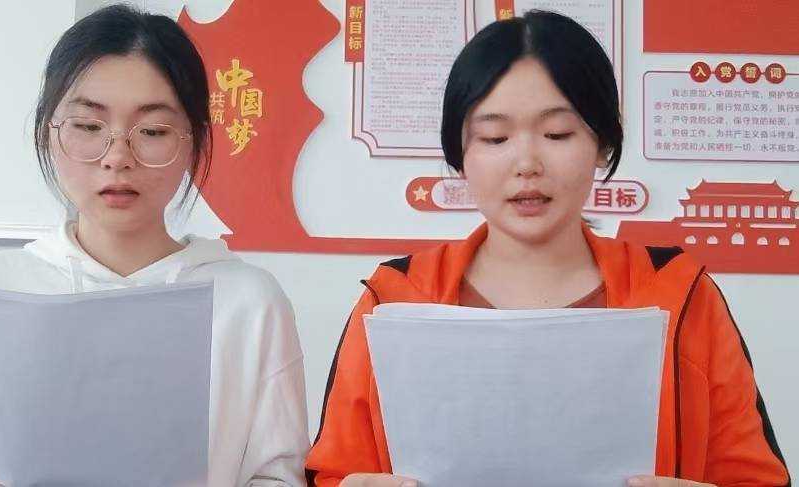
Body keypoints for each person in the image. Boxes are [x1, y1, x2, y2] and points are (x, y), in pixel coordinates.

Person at [304, 10, 790, 487]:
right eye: (495, 137)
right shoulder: (394, 300)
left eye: (557, 133)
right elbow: (332, 472)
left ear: (602, 143)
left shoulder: (682, 297)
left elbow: (755, 476)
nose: (527, 163)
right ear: (461, 154)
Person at [0, 5, 308, 486]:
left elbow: (278, 475)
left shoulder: (248, 301)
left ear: (194, 141)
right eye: (88, 126)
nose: (118, 157)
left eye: (153, 132)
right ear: (48, 132)